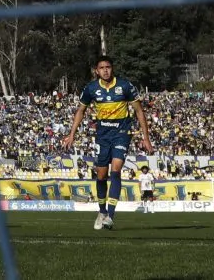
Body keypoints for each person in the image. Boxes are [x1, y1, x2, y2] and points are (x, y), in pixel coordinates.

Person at [62, 55, 152, 231]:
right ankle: (102, 212)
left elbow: (139, 111)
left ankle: (110, 215)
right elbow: (81, 110)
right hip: (102, 135)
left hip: (122, 133)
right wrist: (71, 135)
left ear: (113, 68)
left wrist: (145, 137)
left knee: (116, 170)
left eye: (108, 67)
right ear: (97, 70)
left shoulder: (125, 86)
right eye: (101, 67)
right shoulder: (91, 88)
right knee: (101, 175)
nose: (105, 70)